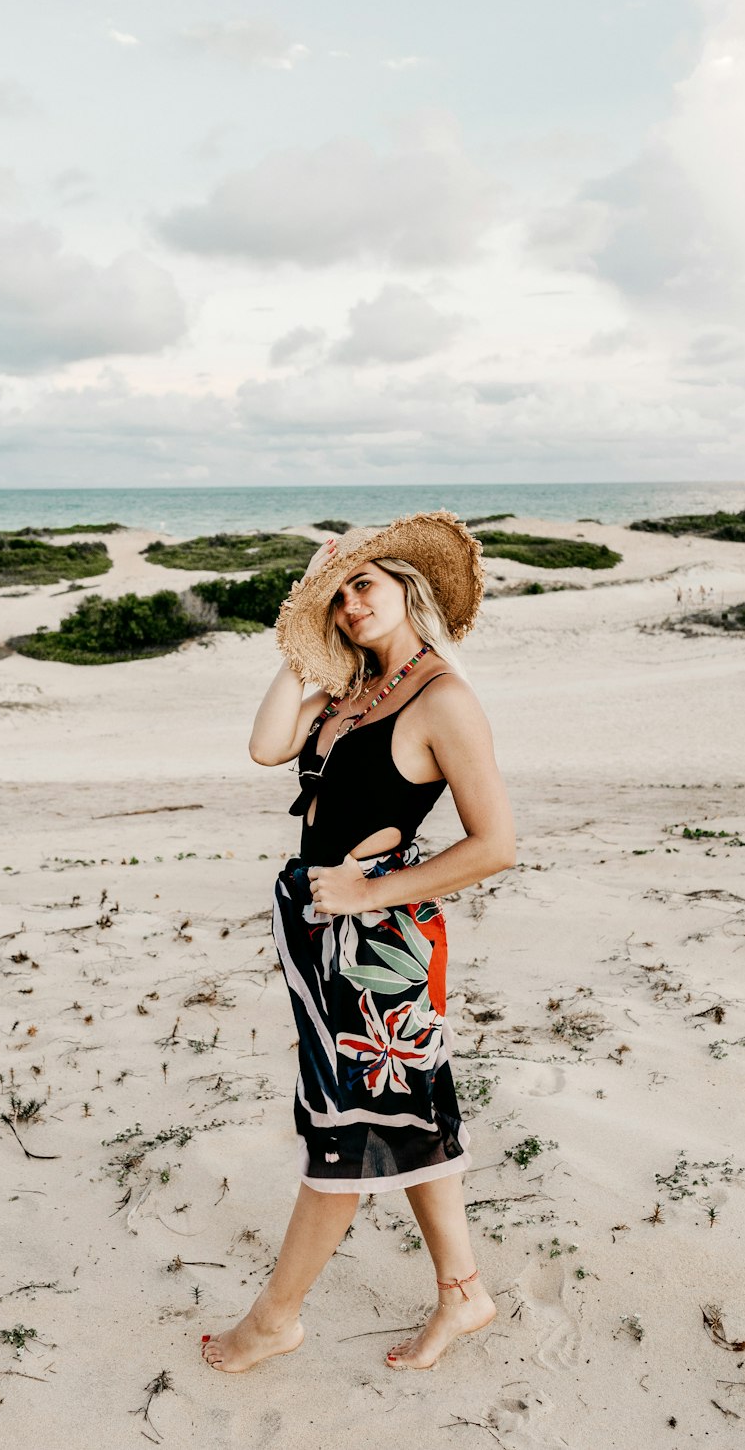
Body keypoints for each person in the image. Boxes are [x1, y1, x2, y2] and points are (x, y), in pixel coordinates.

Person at [200, 509, 516, 1374]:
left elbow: (496, 844)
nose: (350, 605)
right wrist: (299, 638)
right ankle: (464, 1293)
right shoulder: (348, 693)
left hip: (381, 947)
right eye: (336, 597)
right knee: (406, 1112)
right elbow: (267, 746)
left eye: (363, 585)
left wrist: (370, 889)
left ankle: (274, 1319)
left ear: (407, 589)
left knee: (346, 1133)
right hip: (324, 937)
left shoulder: (441, 698)